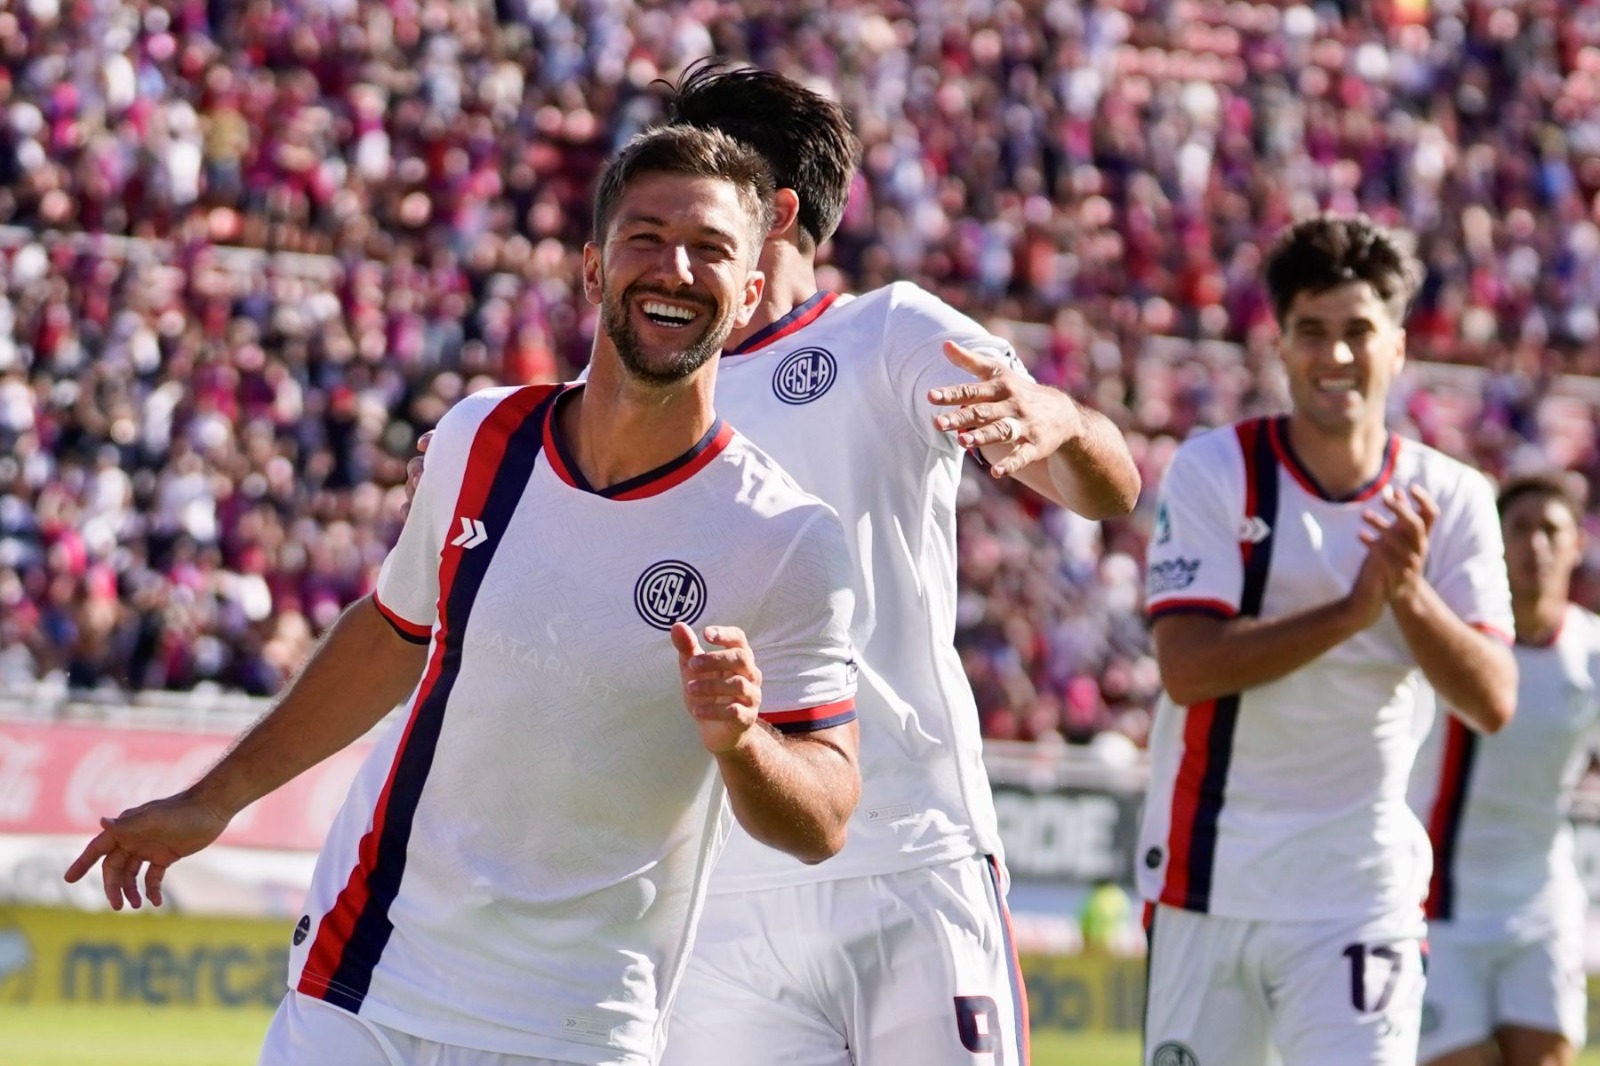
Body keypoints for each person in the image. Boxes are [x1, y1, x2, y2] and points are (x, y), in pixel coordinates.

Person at [64, 125, 864, 1066]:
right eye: (644, 238)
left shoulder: (784, 537)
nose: (674, 268)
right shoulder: (481, 436)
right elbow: (393, 634)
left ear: (749, 295)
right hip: (368, 977)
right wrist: (216, 797)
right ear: (593, 270)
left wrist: (743, 743)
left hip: (578, 1024)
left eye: (710, 249)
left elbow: (824, 818)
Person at [410, 61, 1140, 1065]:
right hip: (719, 899)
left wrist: (1056, 416)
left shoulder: (888, 334)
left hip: (907, 857)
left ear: (775, 208)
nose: (673, 231)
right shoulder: (617, 392)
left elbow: (1106, 490)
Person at [1139, 213, 1517, 1066]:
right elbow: (1188, 669)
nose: (1336, 356)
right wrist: (1352, 613)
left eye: (1358, 332)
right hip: (1209, 881)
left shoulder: (1450, 498)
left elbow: (1492, 699)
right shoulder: (1215, 469)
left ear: (1399, 347)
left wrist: (1408, 595)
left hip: (1361, 891)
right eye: (1313, 332)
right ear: (1281, 344)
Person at [1412, 472, 1598, 1066]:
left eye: (1552, 530)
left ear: (1577, 546)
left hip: (1541, 903)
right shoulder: (1445, 632)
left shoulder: (1592, 653)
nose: (1536, 545)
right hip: (1437, 905)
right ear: (1495, 540)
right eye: (1520, 528)